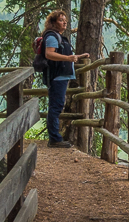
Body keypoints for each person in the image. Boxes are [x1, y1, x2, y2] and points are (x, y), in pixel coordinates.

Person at [38, 9, 90, 148]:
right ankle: (54, 139)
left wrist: (78, 56)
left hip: (61, 75)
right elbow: (49, 54)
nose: (64, 22)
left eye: (65, 20)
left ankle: (55, 137)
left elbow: (63, 56)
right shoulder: (52, 37)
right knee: (56, 107)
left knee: (57, 106)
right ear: (53, 23)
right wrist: (68, 58)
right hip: (57, 76)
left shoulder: (58, 37)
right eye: (61, 20)